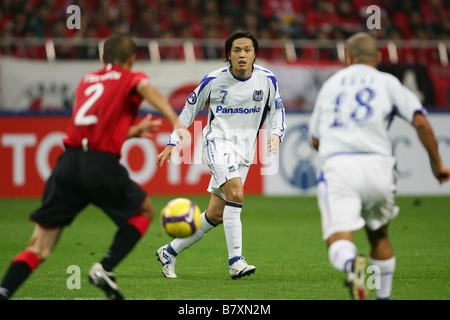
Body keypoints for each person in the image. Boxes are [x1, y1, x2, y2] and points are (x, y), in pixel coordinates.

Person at [0, 34, 182, 300]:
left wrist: (131, 133)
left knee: (38, 247)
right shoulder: (129, 77)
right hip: (99, 166)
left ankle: (5, 291)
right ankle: (105, 268)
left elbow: (94, 128)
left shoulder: (87, 80)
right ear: (132, 59)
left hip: (68, 165)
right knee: (143, 210)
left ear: (102, 58)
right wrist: (175, 120)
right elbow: (145, 88)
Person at [308, 32, 450, 300]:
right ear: (379, 57)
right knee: (379, 237)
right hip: (379, 166)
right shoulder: (388, 82)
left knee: (339, 239)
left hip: (340, 166)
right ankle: (382, 298)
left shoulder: (332, 84)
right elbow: (420, 121)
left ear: (347, 57)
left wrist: (332, 150)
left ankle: (353, 266)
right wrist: (437, 164)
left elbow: (315, 139)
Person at [156, 30, 286, 279]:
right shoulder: (213, 80)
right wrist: (173, 142)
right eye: (236, 50)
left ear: (255, 54)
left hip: (246, 150)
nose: (242, 55)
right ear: (228, 55)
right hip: (218, 143)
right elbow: (188, 111)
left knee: (216, 213)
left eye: (247, 50)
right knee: (236, 193)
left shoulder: (267, 80)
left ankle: (169, 252)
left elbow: (277, 110)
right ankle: (236, 261)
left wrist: (277, 133)